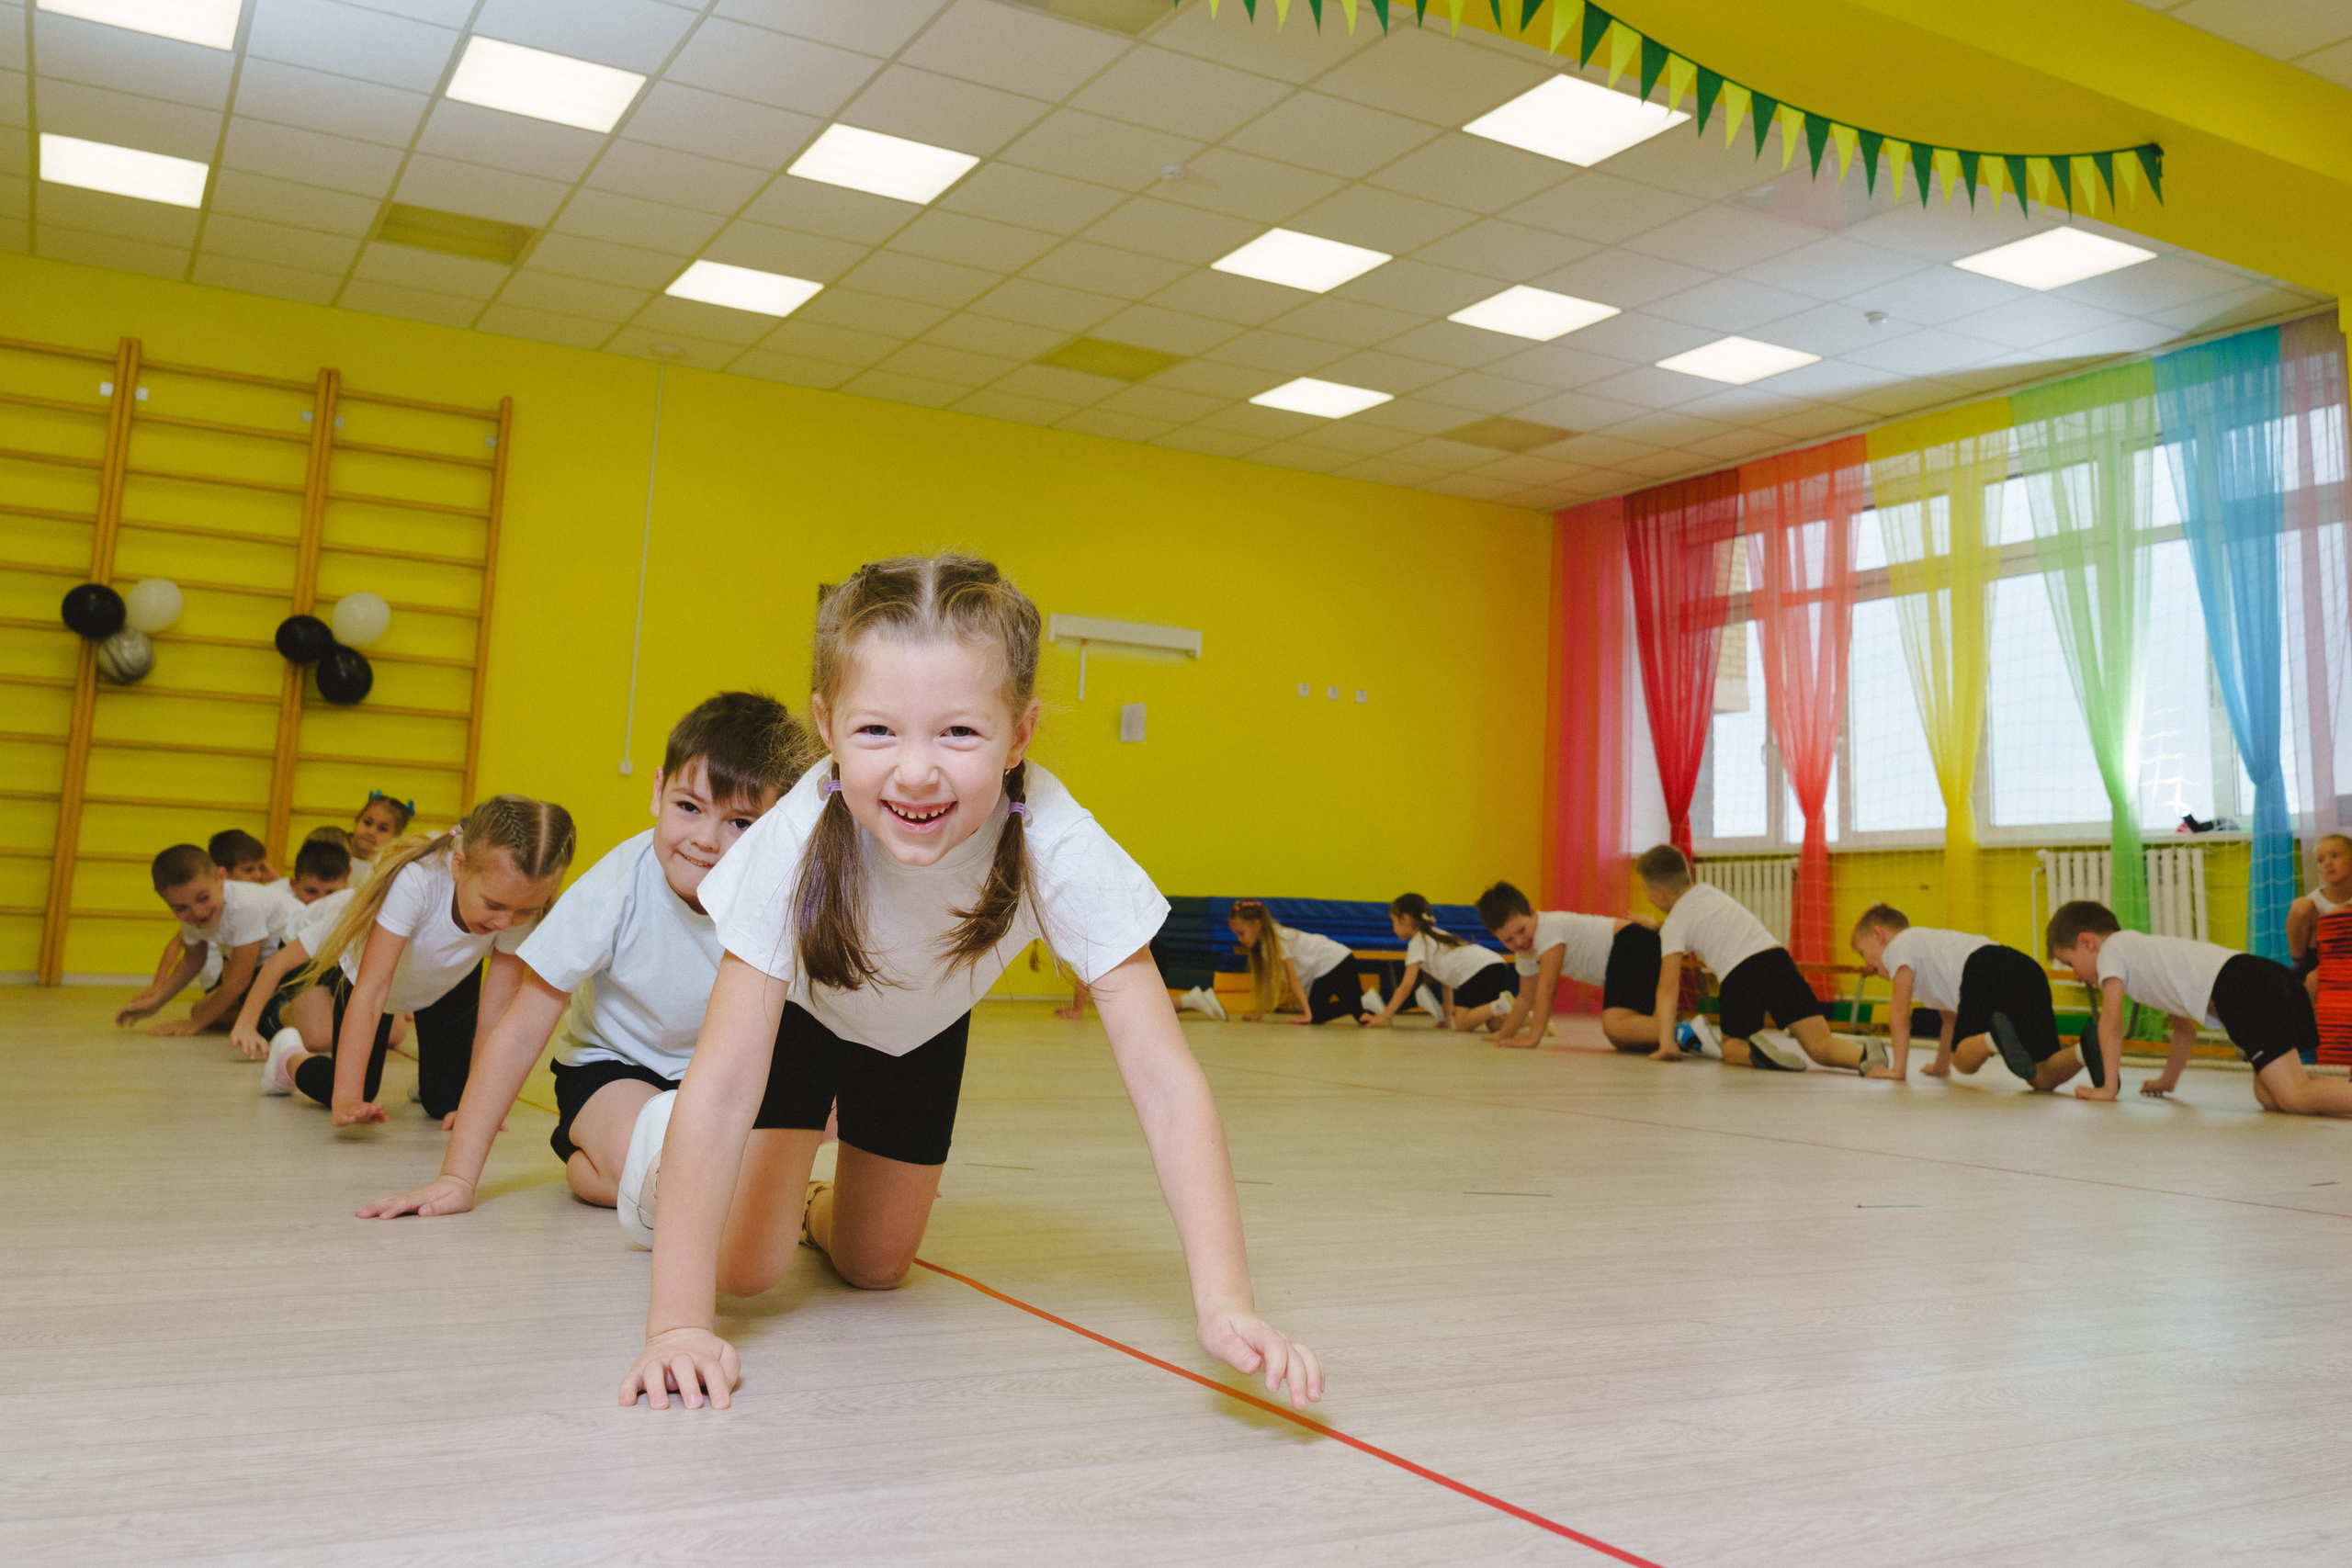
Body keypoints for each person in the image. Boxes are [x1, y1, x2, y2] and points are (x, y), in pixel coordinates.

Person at [616, 555, 1320, 1414]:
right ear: (827, 725)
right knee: (744, 1273)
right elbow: (724, 1085)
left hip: (921, 1031)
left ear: (1019, 733)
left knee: (876, 1269)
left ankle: (802, 1195)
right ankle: (653, 1151)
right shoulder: (795, 837)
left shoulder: (1055, 842)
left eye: (959, 733)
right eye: (878, 732)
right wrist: (676, 1326)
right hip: (802, 1017)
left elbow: (1167, 1082)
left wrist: (1226, 1300)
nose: (917, 772)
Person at [356, 693, 797, 1220]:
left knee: (706, 1164)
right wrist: (457, 1177)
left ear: (779, 825)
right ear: (658, 791)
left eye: (741, 824)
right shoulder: (614, 888)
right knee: (683, 1176)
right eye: (689, 807)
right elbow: (519, 1034)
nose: (705, 840)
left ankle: (611, 1174)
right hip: (615, 1071)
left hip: (722, 1081)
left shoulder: (788, 897)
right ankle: (780, 1206)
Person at [263, 795, 573, 1125]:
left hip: (449, 980)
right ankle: (288, 1058)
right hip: (371, 980)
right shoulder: (416, 881)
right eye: (494, 906)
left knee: (449, 1101)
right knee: (358, 1089)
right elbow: (372, 990)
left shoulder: (515, 904)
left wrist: (477, 1106)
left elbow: (496, 1011)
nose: (505, 922)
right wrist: (347, 1098)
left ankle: (434, 1078)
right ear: (458, 864)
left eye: (524, 911)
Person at [2048, 900, 2352, 1114]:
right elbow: (2184, 1030)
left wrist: (2107, 1087)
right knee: (2270, 1098)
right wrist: (2167, 1080)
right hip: (2262, 980)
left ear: (2087, 942)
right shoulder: (2145, 958)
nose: (2075, 975)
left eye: (2069, 962)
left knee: (2292, 1096)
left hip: (2246, 987)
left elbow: (2110, 1023)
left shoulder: (2112, 951)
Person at [1637, 844, 1883, 1073]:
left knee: (1731, 1045)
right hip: (1777, 961)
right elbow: (1690, 920)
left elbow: (1668, 987)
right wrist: (1657, 925)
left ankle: (1757, 1054)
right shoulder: (1707, 892)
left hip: (1740, 975)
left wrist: (1666, 1043)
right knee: (1820, 1045)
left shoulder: (1674, 925)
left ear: (1657, 894)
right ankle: (1864, 1056)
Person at [1849, 903, 2081, 1089]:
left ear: (1879, 934)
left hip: (1980, 967)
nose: (1867, 965)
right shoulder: (1931, 951)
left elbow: (1899, 1014)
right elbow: (1949, 1019)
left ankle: (1994, 1038)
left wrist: (1897, 1071)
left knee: (1962, 1061)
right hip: (2027, 970)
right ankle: (2086, 1051)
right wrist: (1941, 1065)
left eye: (1862, 953)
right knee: (2041, 1076)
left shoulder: (1897, 947)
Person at [1474, 882, 1662, 1052]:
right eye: (1508, 940)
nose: (1520, 942)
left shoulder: (1547, 929)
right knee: (1624, 1037)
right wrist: (1504, 1033)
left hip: (1632, 942)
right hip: (1631, 951)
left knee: (1616, 1026)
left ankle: (1686, 1031)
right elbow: (1525, 998)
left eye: (1522, 930)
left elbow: (1547, 987)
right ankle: (1681, 1035)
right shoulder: (1526, 952)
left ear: (1532, 911)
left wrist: (1533, 1037)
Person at [115, 843, 274, 1036]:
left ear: (221, 877)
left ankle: (279, 1016)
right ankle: (270, 1015)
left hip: (300, 967)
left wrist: (196, 1024)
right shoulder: (192, 912)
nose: (198, 912)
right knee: (200, 1010)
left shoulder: (244, 906)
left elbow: (240, 979)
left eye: (203, 898)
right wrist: (156, 1003)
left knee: (205, 1014)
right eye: (180, 908)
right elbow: (192, 960)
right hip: (268, 970)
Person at [226, 839, 355, 1062]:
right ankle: (277, 1012)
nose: (320, 899)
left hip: (336, 956)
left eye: (330, 891)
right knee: (318, 1039)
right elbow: (277, 963)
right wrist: (247, 1024)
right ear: (294, 885)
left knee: (394, 1034)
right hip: (299, 953)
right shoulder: (339, 913)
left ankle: (321, 1007)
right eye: (312, 891)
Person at [1363, 893, 1514, 1032]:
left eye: (1394, 922)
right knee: (1496, 1025)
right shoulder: (1437, 935)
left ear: (1406, 918)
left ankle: (1500, 1004)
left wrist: (1383, 1016)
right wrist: (1447, 1017)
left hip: (1478, 972)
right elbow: (1446, 982)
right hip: (1495, 965)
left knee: (1462, 1024)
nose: (1393, 927)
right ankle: (1528, 1015)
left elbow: (1405, 987)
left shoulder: (1418, 942)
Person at [1227, 900, 1364, 1026]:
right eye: (1236, 935)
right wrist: (1259, 1014)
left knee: (1315, 1015)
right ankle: (1361, 1003)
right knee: (1363, 1017)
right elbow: (1266, 982)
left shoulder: (1278, 939)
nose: (1239, 939)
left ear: (1256, 925)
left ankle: (1359, 1003)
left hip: (1334, 961)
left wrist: (1307, 1014)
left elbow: (1293, 979)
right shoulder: (1263, 945)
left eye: (1241, 933)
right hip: (1332, 964)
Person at [2286, 832, 2352, 1066]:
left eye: (2335, 856)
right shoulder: (2316, 901)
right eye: (2321, 860)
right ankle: (2317, 1050)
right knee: (2300, 906)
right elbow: (2299, 916)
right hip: (2322, 964)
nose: (2328, 863)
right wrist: (2308, 970)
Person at [347, 792, 413, 887]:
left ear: (396, 838)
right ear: (356, 821)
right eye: (367, 823)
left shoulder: (386, 870)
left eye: (382, 829)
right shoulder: (336, 853)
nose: (371, 832)